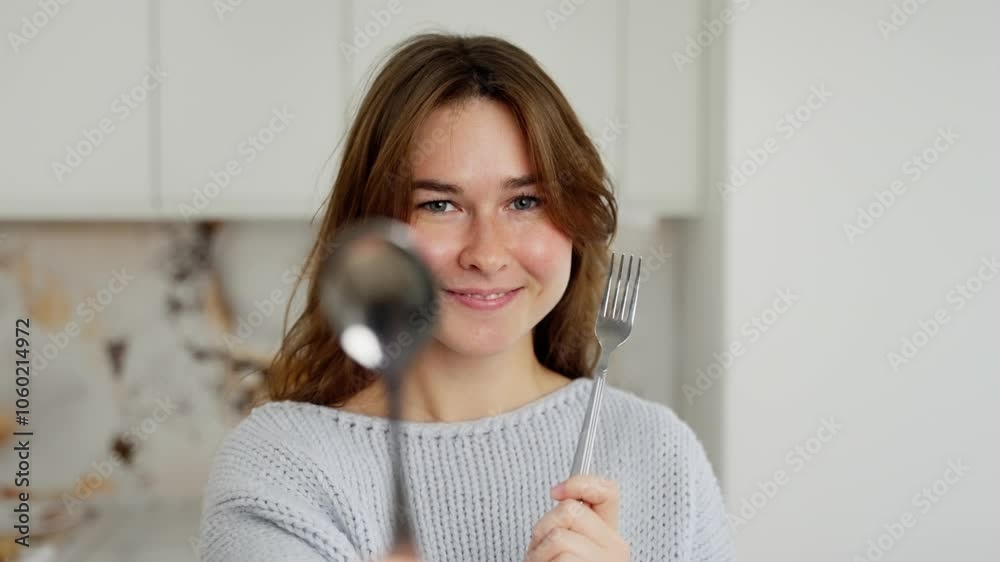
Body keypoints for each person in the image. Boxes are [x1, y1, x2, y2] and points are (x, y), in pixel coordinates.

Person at [199, 33, 735, 562]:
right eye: (439, 205)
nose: (487, 253)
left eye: (525, 200)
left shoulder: (661, 453)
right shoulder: (280, 467)